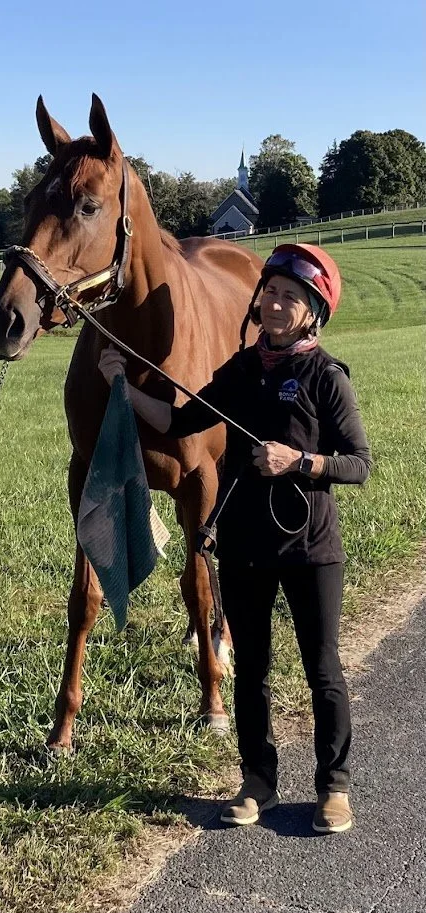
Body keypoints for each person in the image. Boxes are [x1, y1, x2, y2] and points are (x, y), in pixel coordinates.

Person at [98, 243, 371, 834]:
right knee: (252, 671)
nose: (275, 303)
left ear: (313, 312)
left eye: (291, 297)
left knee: (322, 669)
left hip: (310, 549)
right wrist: (122, 385)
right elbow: (176, 419)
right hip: (245, 544)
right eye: (270, 291)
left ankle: (334, 787)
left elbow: (358, 464)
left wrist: (300, 460)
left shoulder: (326, 377)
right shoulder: (241, 370)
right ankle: (258, 783)